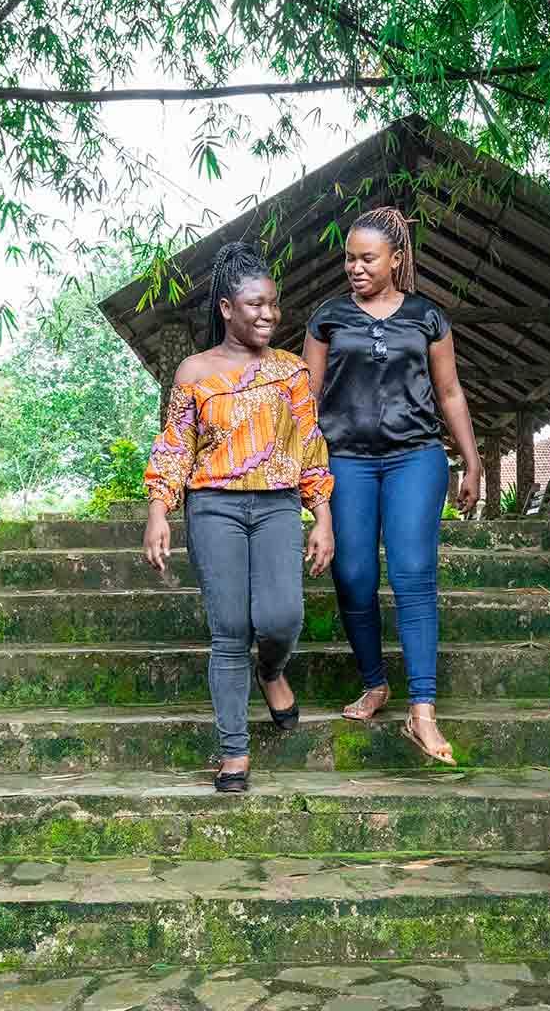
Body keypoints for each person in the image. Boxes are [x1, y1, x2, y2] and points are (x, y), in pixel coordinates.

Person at [144, 242, 336, 793]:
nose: (268, 314)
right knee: (228, 630)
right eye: (255, 304)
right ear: (227, 308)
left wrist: (321, 514)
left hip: (277, 503)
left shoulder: (291, 373)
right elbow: (175, 446)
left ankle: (271, 670)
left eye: (273, 304)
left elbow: (308, 445)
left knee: (281, 618)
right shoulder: (194, 372)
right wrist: (159, 511)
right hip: (214, 506)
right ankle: (234, 752)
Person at [303, 206, 482, 764]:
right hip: (346, 460)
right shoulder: (327, 318)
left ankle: (422, 710)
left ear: (395, 260)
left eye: (367, 258)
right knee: (353, 573)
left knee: (412, 573)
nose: (355, 267)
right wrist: (301, 471)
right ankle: (375, 682)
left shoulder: (428, 318)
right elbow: (305, 398)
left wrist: (471, 462)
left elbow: (449, 392)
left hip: (415, 458)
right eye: (349, 258)